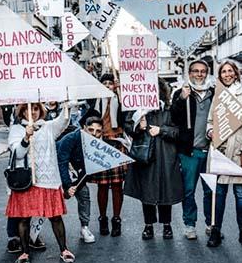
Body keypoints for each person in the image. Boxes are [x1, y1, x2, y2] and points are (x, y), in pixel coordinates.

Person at [6, 102, 74, 263]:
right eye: (29, 109)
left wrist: (67, 105)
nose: (33, 112)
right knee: (24, 218)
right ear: (22, 112)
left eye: (36, 109)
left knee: (55, 217)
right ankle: (24, 252)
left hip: (48, 180)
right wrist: (26, 138)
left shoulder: (48, 127)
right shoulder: (16, 130)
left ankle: (64, 249)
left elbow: (63, 121)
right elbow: (18, 153)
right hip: (27, 181)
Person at [206, 60, 242, 248]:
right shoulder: (217, 95)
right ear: (220, 75)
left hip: (239, 150)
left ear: (236, 74)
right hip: (220, 149)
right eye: (223, 72)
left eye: (230, 71)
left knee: (240, 193)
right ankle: (216, 231)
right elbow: (210, 120)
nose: (227, 74)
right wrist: (210, 132)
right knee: (219, 193)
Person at [124, 80, 184, 239]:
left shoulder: (169, 110)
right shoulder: (138, 110)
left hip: (166, 155)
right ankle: (148, 225)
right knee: (147, 192)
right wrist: (139, 126)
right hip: (146, 157)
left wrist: (162, 130)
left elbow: (178, 132)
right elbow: (128, 127)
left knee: (166, 191)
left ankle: (167, 225)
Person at [170, 60, 215, 240]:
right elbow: (173, 117)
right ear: (189, 73)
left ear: (207, 73)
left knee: (210, 191)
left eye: (203, 71)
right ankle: (190, 224)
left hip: (211, 151)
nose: (199, 74)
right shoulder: (181, 93)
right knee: (188, 190)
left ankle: (211, 223)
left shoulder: (215, 93)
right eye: (195, 71)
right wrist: (182, 98)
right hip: (189, 152)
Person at [84, 73, 127, 237]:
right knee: (102, 186)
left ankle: (116, 220)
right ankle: (103, 219)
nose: (108, 85)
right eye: (105, 83)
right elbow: (86, 118)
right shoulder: (95, 101)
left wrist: (121, 93)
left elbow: (127, 116)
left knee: (117, 186)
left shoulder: (121, 100)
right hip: (100, 144)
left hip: (116, 143)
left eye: (110, 83)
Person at [56, 117, 102, 244]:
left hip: (76, 172)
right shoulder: (70, 139)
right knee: (48, 200)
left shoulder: (97, 144)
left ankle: (84, 228)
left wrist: (76, 185)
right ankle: (32, 232)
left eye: (98, 131)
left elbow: (89, 168)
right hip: (54, 167)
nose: (94, 134)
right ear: (84, 128)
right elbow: (62, 162)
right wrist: (67, 186)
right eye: (91, 130)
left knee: (84, 195)